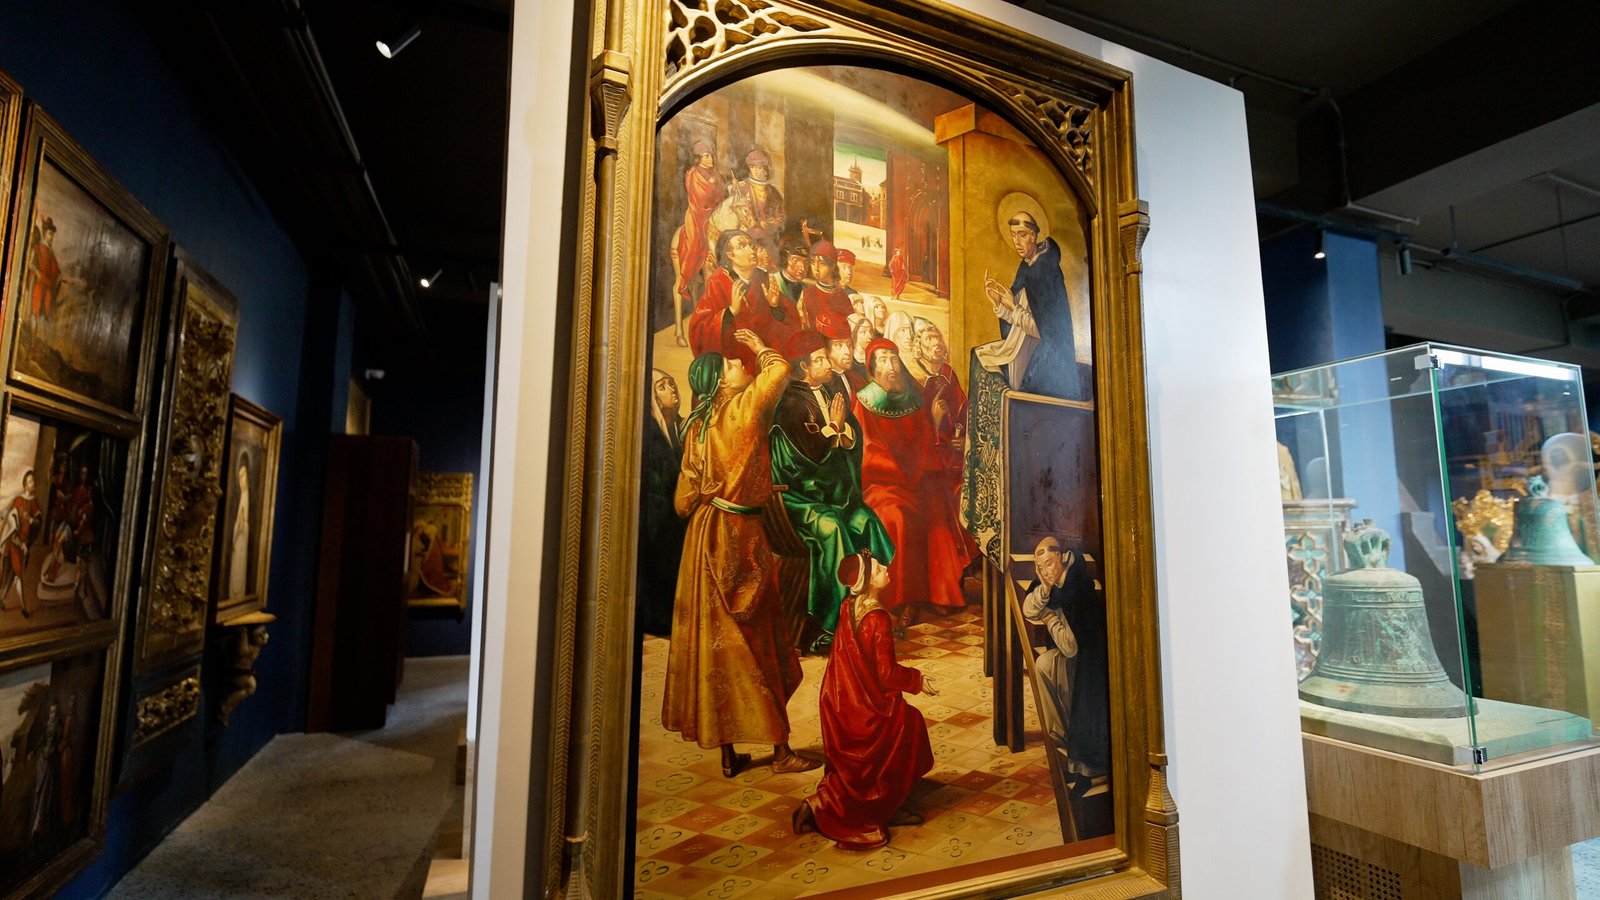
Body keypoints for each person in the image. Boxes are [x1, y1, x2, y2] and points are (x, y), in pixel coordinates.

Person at [664, 330, 819, 777]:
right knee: (760, 638)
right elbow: (779, 370)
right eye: (731, 365)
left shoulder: (696, 427)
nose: (740, 365)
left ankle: (729, 754)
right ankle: (781, 752)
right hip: (741, 533)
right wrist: (759, 346)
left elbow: (682, 501)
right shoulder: (743, 409)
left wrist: (712, 490)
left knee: (717, 646)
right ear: (720, 382)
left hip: (703, 537)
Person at [792, 550, 934, 850]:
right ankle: (887, 806)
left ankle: (819, 805)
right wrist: (918, 680)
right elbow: (886, 674)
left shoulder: (849, 605)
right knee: (909, 726)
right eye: (879, 569)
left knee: (902, 725)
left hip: (843, 701)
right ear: (869, 582)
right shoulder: (877, 618)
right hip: (865, 708)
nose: (885, 569)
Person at [770, 331, 892, 653]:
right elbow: (808, 455)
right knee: (833, 530)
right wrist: (834, 429)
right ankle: (832, 626)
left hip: (833, 494)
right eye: (820, 360)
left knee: (866, 520)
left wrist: (843, 433)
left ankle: (868, 611)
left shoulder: (829, 391)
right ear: (804, 367)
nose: (828, 364)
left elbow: (851, 435)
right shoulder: (790, 403)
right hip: (800, 498)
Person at [852, 341, 973, 618]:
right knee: (898, 517)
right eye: (883, 360)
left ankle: (940, 595)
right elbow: (869, 454)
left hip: (916, 482)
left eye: (894, 359)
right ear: (872, 368)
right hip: (882, 486)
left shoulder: (914, 400)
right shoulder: (864, 403)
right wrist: (905, 475)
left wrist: (934, 423)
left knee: (938, 512)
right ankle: (900, 600)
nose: (891, 366)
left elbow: (925, 443)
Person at [1022, 536, 1109, 791]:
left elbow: (1070, 646)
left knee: (1083, 712)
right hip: (1074, 655)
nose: (1045, 572)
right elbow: (1028, 610)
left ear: (1060, 557)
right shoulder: (1052, 582)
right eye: (1040, 568)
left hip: (1089, 662)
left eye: (1049, 564)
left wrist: (1049, 618)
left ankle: (1083, 770)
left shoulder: (1077, 586)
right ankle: (1059, 734)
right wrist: (1045, 589)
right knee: (1043, 664)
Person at [980, 210, 1082, 399]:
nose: (1017, 242)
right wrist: (1000, 305)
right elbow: (1019, 320)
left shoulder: (1046, 272)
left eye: (1022, 235)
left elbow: (1042, 331)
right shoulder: (1026, 267)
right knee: (981, 358)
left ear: (1034, 236)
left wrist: (1013, 308)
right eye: (1013, 235)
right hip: (1023, 347)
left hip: (1044, 359)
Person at [687, 230, 802, 368]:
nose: (751, 251)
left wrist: (775, 306)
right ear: (729, 255)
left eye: (751, 245)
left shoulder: (764, 278)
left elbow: (791, 321)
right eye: (742, 246)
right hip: (736, 359)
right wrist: (730, 312)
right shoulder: (718, 281)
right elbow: (699, 329)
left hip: (764, 351)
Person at [636, 369, 687, 637]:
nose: (671, 390)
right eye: (662, 387)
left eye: (672, 384)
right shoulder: (649, 431)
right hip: (658, 515)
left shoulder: (681, 425)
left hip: (677, 510)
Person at [673, 141, 726, 307]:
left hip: (715, 213)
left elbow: (722, 194)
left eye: (711, 156)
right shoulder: (694, 174)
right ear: (699, 158)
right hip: (698, 215)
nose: (710, 159)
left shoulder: (716, 173)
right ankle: (686, 279)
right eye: (706, 156)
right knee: (695, 243)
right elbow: (700, 197)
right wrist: (711, 186)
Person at [0, 470, 42, 617]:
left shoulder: (34, 503)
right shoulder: (18, 501)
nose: (33, 483)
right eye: (30, 481)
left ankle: (1, 598)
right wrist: (20, 544)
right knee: (18, 574)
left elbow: (38, 522)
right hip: (15, 543)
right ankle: (24, 607)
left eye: (33, 481)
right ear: (25, 485)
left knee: (13, 574)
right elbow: (11, 525)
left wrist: (31, 520)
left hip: (24, 544)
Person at [802, 241, 854, 336]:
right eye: (813, 263)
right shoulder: (807, 293)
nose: (816, 268)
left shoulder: (841, 296)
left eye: (821, 264)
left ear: (832, 266)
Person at [27, 218, 62, 318]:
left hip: (48, 288)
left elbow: (56, 269)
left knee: (45, 313)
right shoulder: (37, 248)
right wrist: (38, 273)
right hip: (38, 286)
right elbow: (31, 264)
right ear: (44, 234)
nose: (51, 237)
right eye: (50, 234)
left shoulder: (51, 252)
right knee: (35, 312)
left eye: (52, 235)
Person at [229, 455, 251, 598]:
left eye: (243, 477)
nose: (241, 480)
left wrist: (242, 526)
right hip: (237, 543)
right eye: (240, 477)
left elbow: (245, 524)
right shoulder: (240, 496)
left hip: (242, 544)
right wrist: (238, 526)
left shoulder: (246, 496)